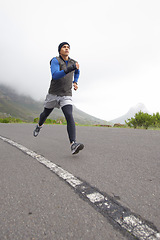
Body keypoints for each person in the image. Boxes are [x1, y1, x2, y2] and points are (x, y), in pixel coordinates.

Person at [33, 42, 84, 155]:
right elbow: (55, 75)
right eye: (64, 47)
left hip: (66, 94)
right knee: (45, 114)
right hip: (53, 94)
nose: (66, 49)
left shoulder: (74, 62)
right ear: (59, 50)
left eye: (68, 47)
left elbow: (77, 71)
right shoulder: (55, 60)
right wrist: (71, 68)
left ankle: (73, 144)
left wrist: (75, 82)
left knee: (69, 115)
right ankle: (39, 125)